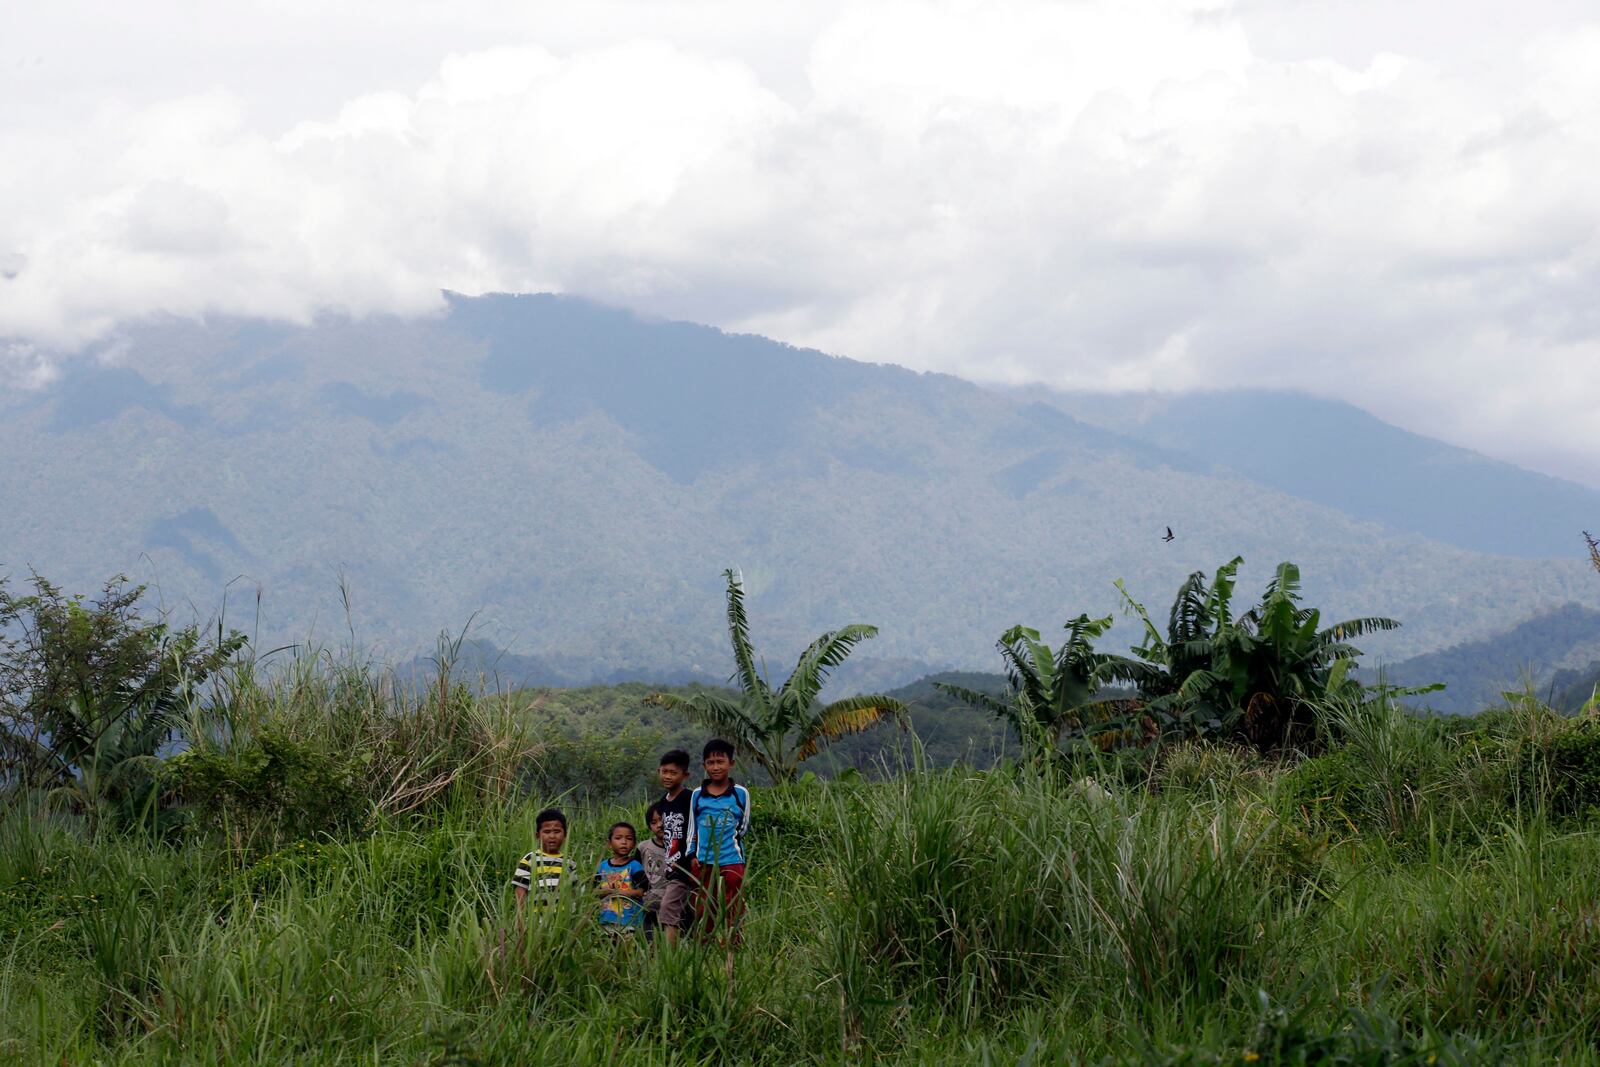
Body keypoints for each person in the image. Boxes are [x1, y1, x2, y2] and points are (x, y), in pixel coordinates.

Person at [685, 738, 751, 953]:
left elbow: (743, 827)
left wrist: (730, 844)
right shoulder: (697, 795)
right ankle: (703, 948)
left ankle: (733, 948)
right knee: (703, 906)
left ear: (731, 763)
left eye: (720, 761)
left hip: (732, 860)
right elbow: (692, 829)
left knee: (734, 906)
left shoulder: (740, 794)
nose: (715, 767)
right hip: (703, 861)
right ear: (704, 766)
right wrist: (691, 854)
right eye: (710, 762)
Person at [653, 749, 696, 945]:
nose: (668, 776)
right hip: (672, 866)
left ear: (685, 775)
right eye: (665, 771)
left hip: (688, 865)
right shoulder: (663, 802)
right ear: (658, 771)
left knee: (668, 908)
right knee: (685, 909)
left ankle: (668, 957)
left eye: (673, 773)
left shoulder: (689, 798)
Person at [512, 808, 574, 914]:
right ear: (537, 836)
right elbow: (520, 891)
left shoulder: (569, 863)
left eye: (557, 831)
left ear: (565, 836)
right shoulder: (530, 859)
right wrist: (520, 919)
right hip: (536, 920)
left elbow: (573, 893)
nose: (552, 836)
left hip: (562, 921)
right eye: (547, 832)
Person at [593, 821, 649, 937]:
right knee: (608, 951)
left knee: (627, 951)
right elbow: (594, 891)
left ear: (634, 844)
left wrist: (617, 892)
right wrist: (604, 891)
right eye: (618, 838)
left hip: (629, 922)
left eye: (629, 839)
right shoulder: (602, 866)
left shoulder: (635, 866)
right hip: (605, 920)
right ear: (609, 843)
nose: (624, 842)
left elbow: (641, 892)